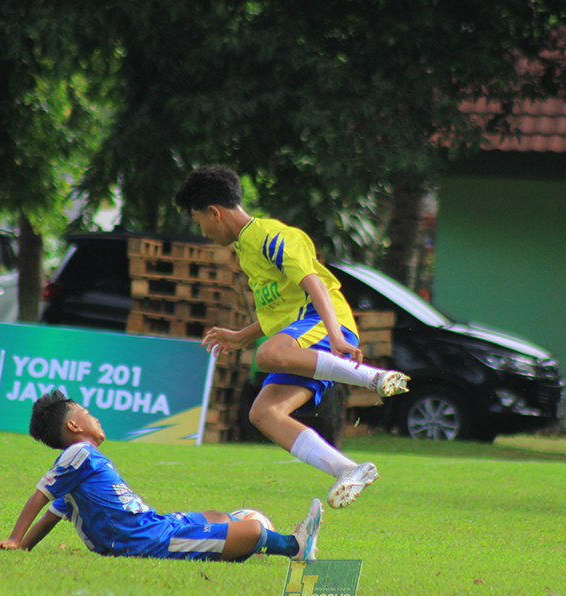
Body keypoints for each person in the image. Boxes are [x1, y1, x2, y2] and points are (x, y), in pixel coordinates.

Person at [173, 165, 410, 509]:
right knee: (264, 413)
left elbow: (314, 283)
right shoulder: (245, 249)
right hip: (301, 334)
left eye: (199, 222)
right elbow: (280, 313)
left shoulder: (271, 235)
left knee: (267, 355)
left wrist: (337, 338)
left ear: (215, 212)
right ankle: (349, 470)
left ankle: (371, 377)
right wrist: (241, 336)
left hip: (324, 323)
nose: (203, 232)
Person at [0, 390, 323, 562]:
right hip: (146, 540)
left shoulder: (80, 470)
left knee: (218, 517)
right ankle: (293, 546)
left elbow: (51, 516)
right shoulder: (78, 454)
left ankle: (253, 543)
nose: (96, 418)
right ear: (74, 426)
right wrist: (16, 539)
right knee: (251, 527)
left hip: (153, 526)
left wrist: (24, 548)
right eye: (88, 414)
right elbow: (40, 497)